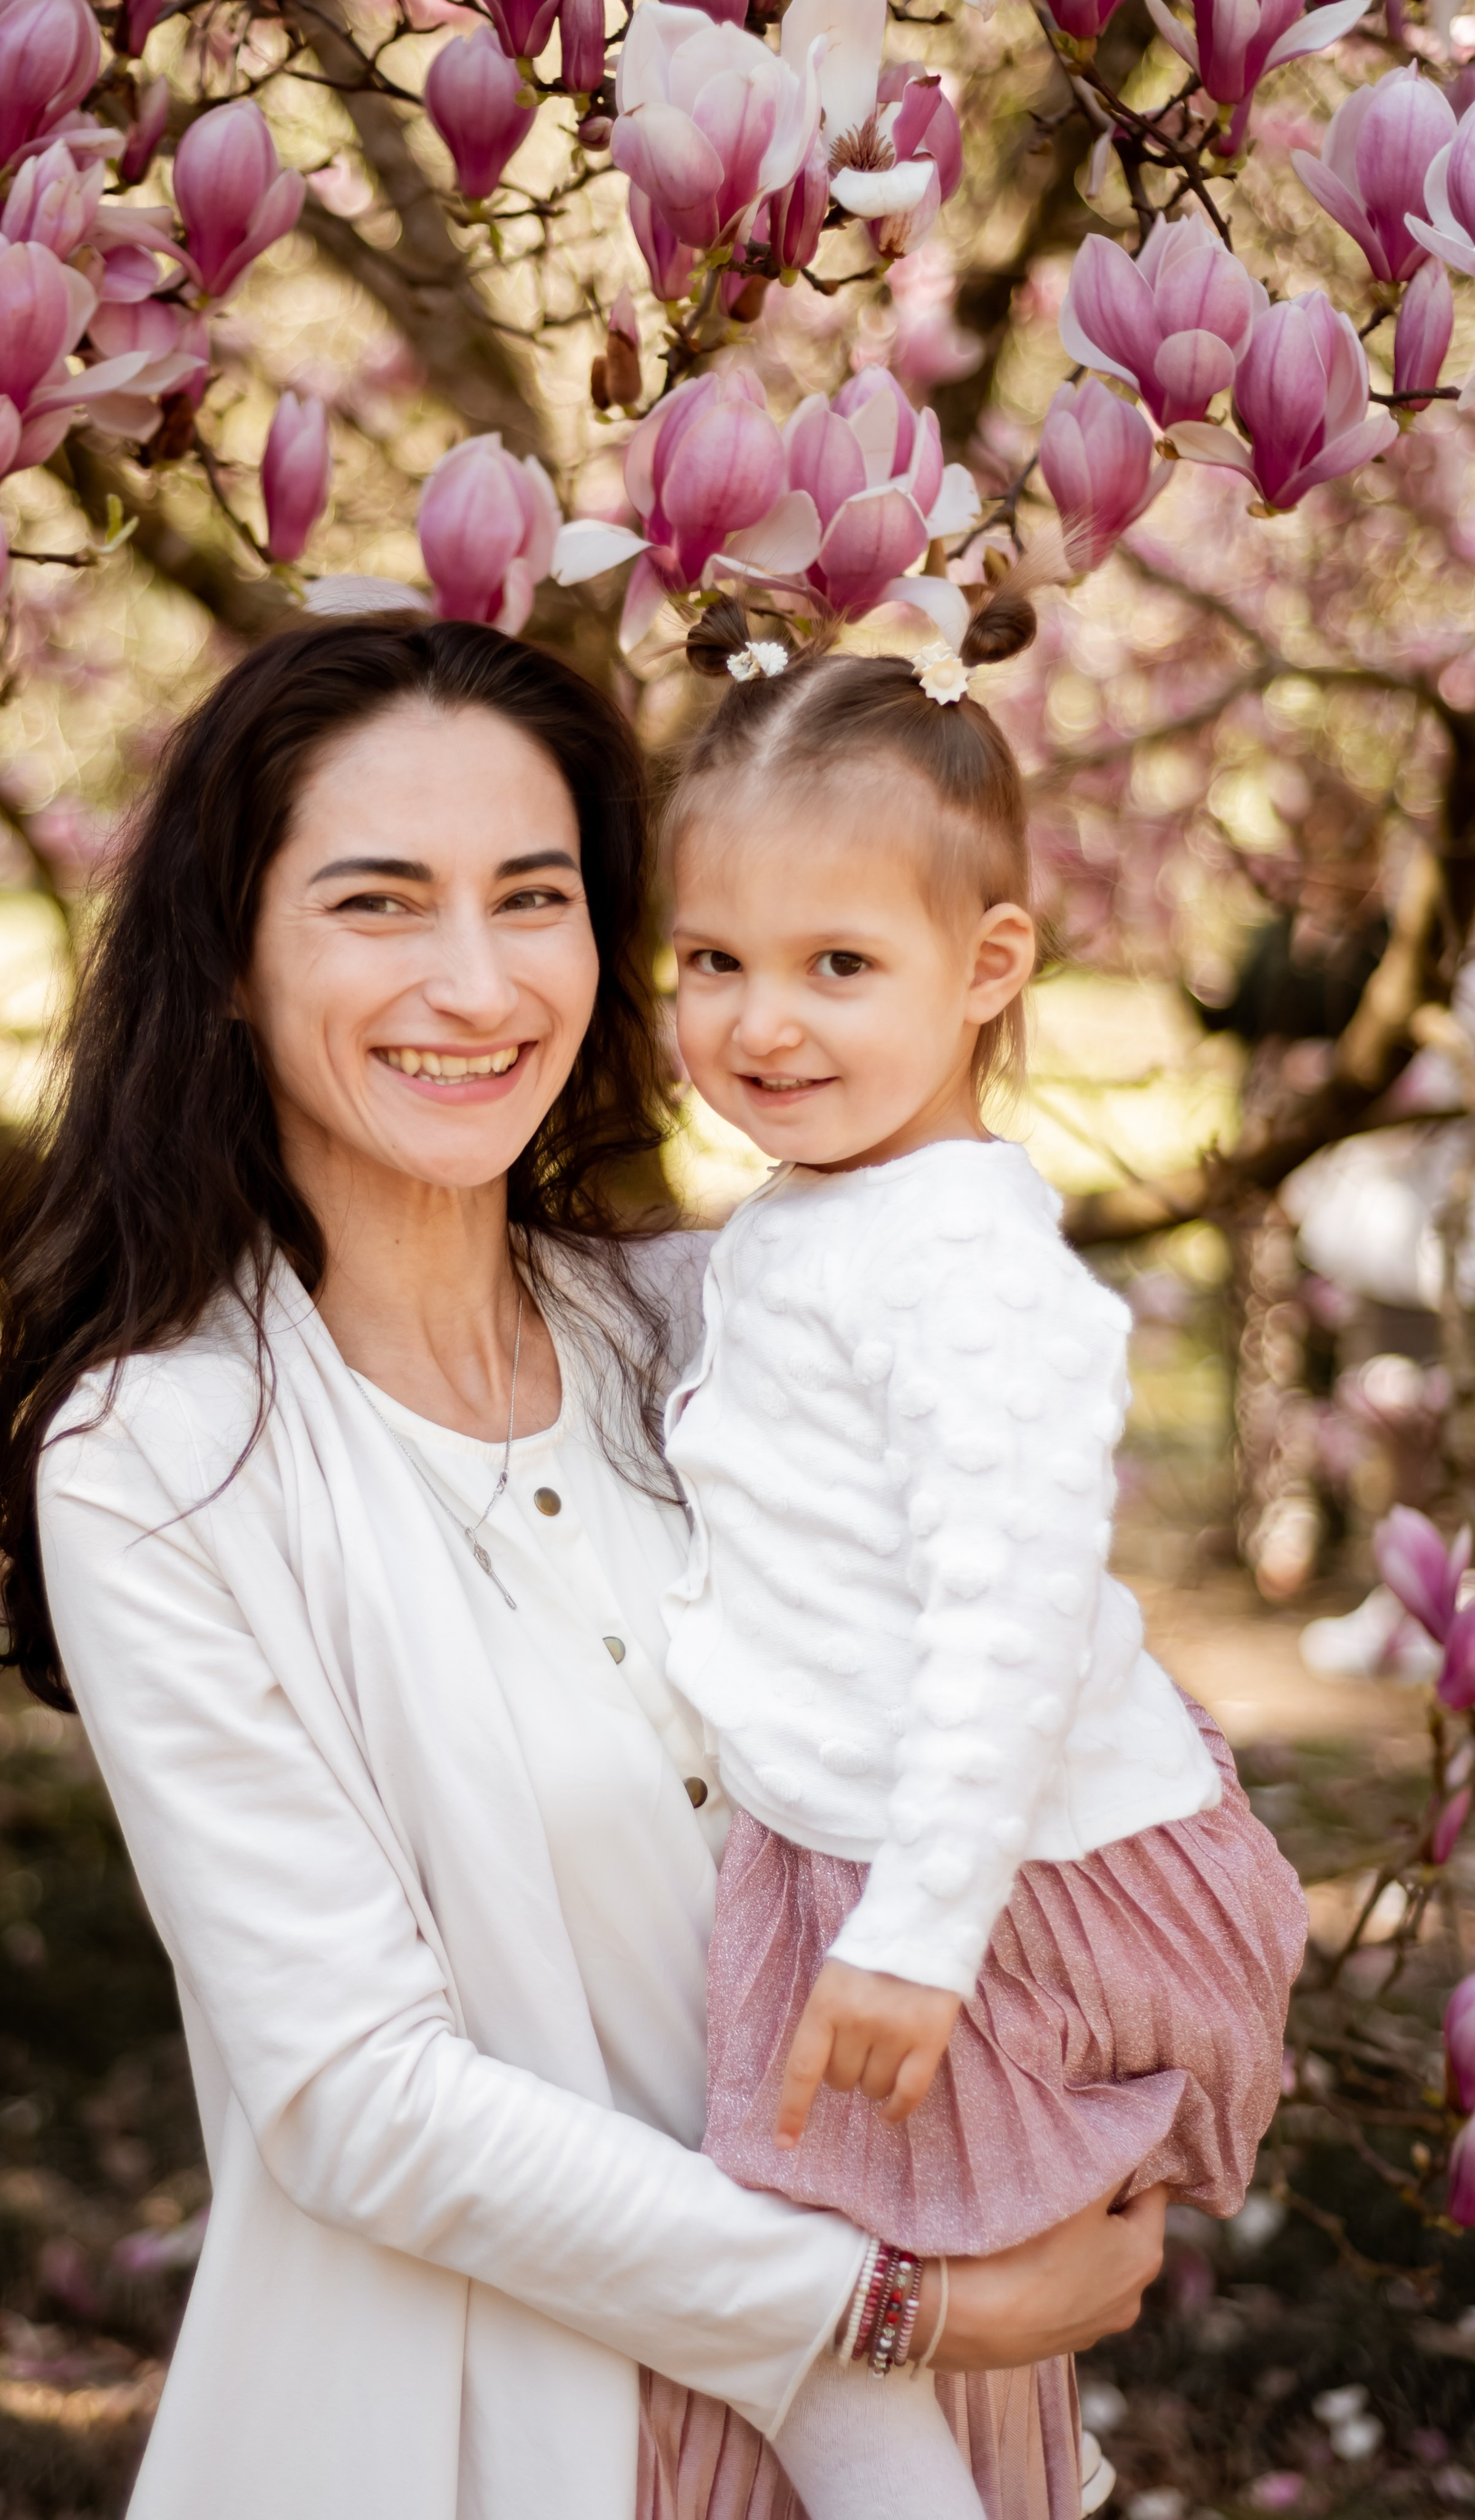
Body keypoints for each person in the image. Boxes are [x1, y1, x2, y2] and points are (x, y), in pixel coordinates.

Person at [0, 617, 1169, 2520]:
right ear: (229, 958)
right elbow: (357, 2101)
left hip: (945, 2398)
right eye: (379, 904)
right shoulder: (164, 1457)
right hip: (502, 2433)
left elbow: (1008, 1677)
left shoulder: (701, 1329)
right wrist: (899, 2305)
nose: (473, 984)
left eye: (533, 900)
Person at [655, 597, 1310, 2520]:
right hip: (882, 1838)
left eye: (838, 961)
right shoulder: (838, 1204)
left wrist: (925, 1921)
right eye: (714, 959)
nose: (762, 1020)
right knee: (847, 2283)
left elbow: (1008, 1607)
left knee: (838, 2270)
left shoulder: (962, 1264)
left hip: (986, 1873)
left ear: (987, 964)